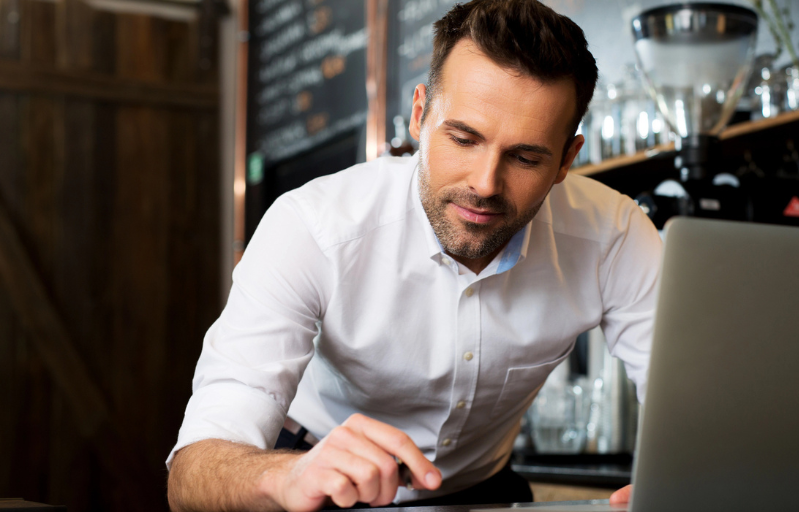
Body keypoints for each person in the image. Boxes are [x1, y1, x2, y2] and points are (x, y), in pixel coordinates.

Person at [166, 1, 660, 510]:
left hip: (480, 488)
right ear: (420, 116)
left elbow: (694, 410)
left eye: (525, 157)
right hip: (312, 475)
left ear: (566, 161)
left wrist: (675, 486)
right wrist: (287, 478)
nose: (485, 184)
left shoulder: (615, 236)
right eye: (464, 138)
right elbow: (192, 474)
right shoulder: (312, 227)